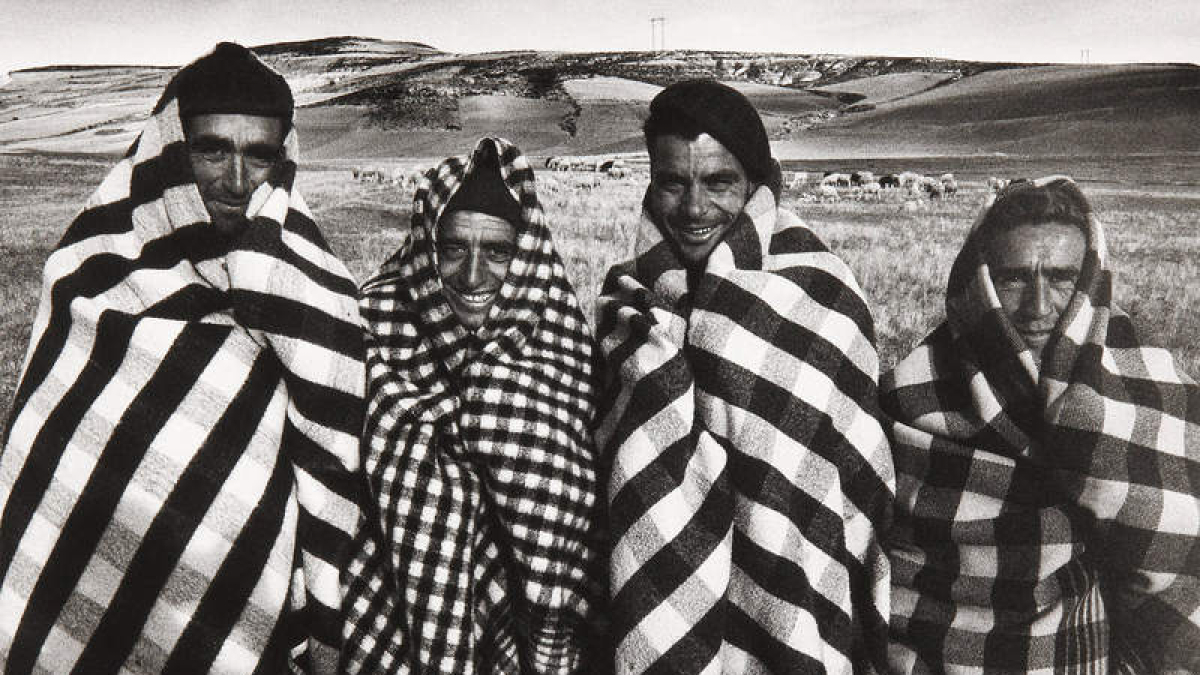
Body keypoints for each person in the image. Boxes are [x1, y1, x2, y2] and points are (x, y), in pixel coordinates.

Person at [0, 43, 365, 673]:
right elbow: (48, 469)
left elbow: (331, 478)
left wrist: (326, 623)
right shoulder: (84, 280)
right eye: (212, 149)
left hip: (241, 619)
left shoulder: (318, 299)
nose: (235, 179)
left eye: (259, 155)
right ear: (171, 149)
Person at [594, 79, 894, 674]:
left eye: (719, 182)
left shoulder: (822, 293)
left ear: (757, 183)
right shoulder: (624, 300)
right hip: (650, 599)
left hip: (794, 595)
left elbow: (858, 471)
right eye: (673, 182)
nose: (695, 208)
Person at [882, 177, 1200, 673]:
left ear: (1090, 282)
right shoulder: (914, 396)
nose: (1038, 307)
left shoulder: (1146, 386)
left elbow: (1174, 565)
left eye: (1061, 278)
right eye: (1013, 279)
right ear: (981, 283)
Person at [342, 137, 602, 673]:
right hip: (394, 622)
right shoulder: (371, 327)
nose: (474, 275)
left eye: (498, 252)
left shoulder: (560, 342)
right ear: (426, 246)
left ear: (525, 258)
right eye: (454, 248)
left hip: (538, 638)